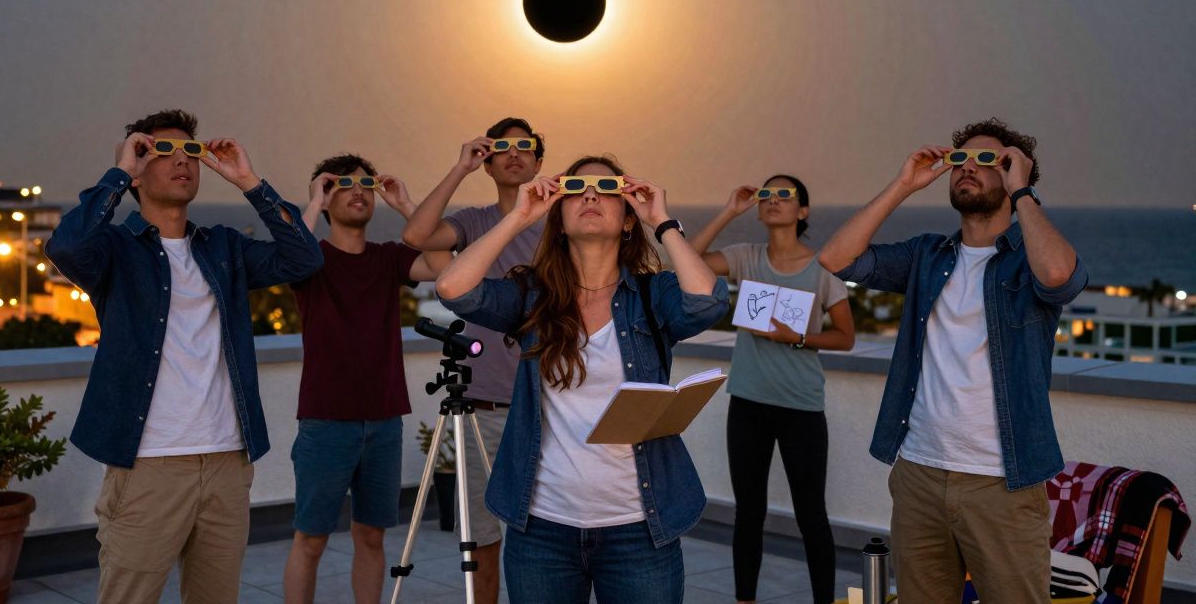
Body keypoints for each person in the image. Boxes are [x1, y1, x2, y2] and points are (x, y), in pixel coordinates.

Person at [45, 109, 324, 604]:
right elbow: (65, 246)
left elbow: (304, 258)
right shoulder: (114, 249)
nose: (182, 162)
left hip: (226, 461)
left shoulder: (223, 247)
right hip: (149, 464)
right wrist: (119, 172)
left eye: (191, 152)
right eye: (163, 152)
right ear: (139, 170)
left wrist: (249, 181)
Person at [436, 155, 729, 604]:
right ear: (558, 220)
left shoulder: (653, 294)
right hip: (541, 528)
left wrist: (663, 221)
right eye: (575, 188)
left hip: (640, 528)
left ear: (628, 217)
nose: (590, 194)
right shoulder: (532, 295)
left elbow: (707, 303)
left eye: (607, 189)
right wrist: (518, 218)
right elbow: (453, 289)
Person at [818, 118, 1088, 601]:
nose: (968, 168)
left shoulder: (1027, 259)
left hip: (1002, 481)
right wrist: (903, 185)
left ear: (1010, 174)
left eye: (988, 160)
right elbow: (836, 259)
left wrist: (1023, 192)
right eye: (960, 159)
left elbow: (1059, 277)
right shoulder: (927, 254)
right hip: (919, 473)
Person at [282, 153, 449, 604]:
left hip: (383, 420)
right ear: (326, 194)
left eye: (366, 184)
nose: (358, 191)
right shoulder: (310, 260)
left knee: (372, 537)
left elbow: (445, 269)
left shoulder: (389, 258)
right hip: (325, 421)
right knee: (311, 540)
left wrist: (406, 206)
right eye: (343, 184)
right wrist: (313, 200)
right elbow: (286, 254)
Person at [401, 117, 547, 604]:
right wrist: (459, 167)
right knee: (482, 539)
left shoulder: (558, 223)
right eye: (501, 147)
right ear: (487, 161)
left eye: (524, 147)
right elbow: (417, 237)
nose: (513, 153)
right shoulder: (474, 220)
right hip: (480, 405)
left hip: (545, 402)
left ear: (538, 162)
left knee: (545, 536)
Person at [690, 175, 855, 604]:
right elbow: (684, 261)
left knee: (811, 515)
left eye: (785, 195)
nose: (773, 200)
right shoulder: (746, 257)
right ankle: (745, 598)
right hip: (747, 403)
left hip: (800, 406)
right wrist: (729, 210)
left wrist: (797, 338)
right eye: (766, 195)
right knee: (749, 514)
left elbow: (846, 336)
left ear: (802, 211)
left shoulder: (822, 267)